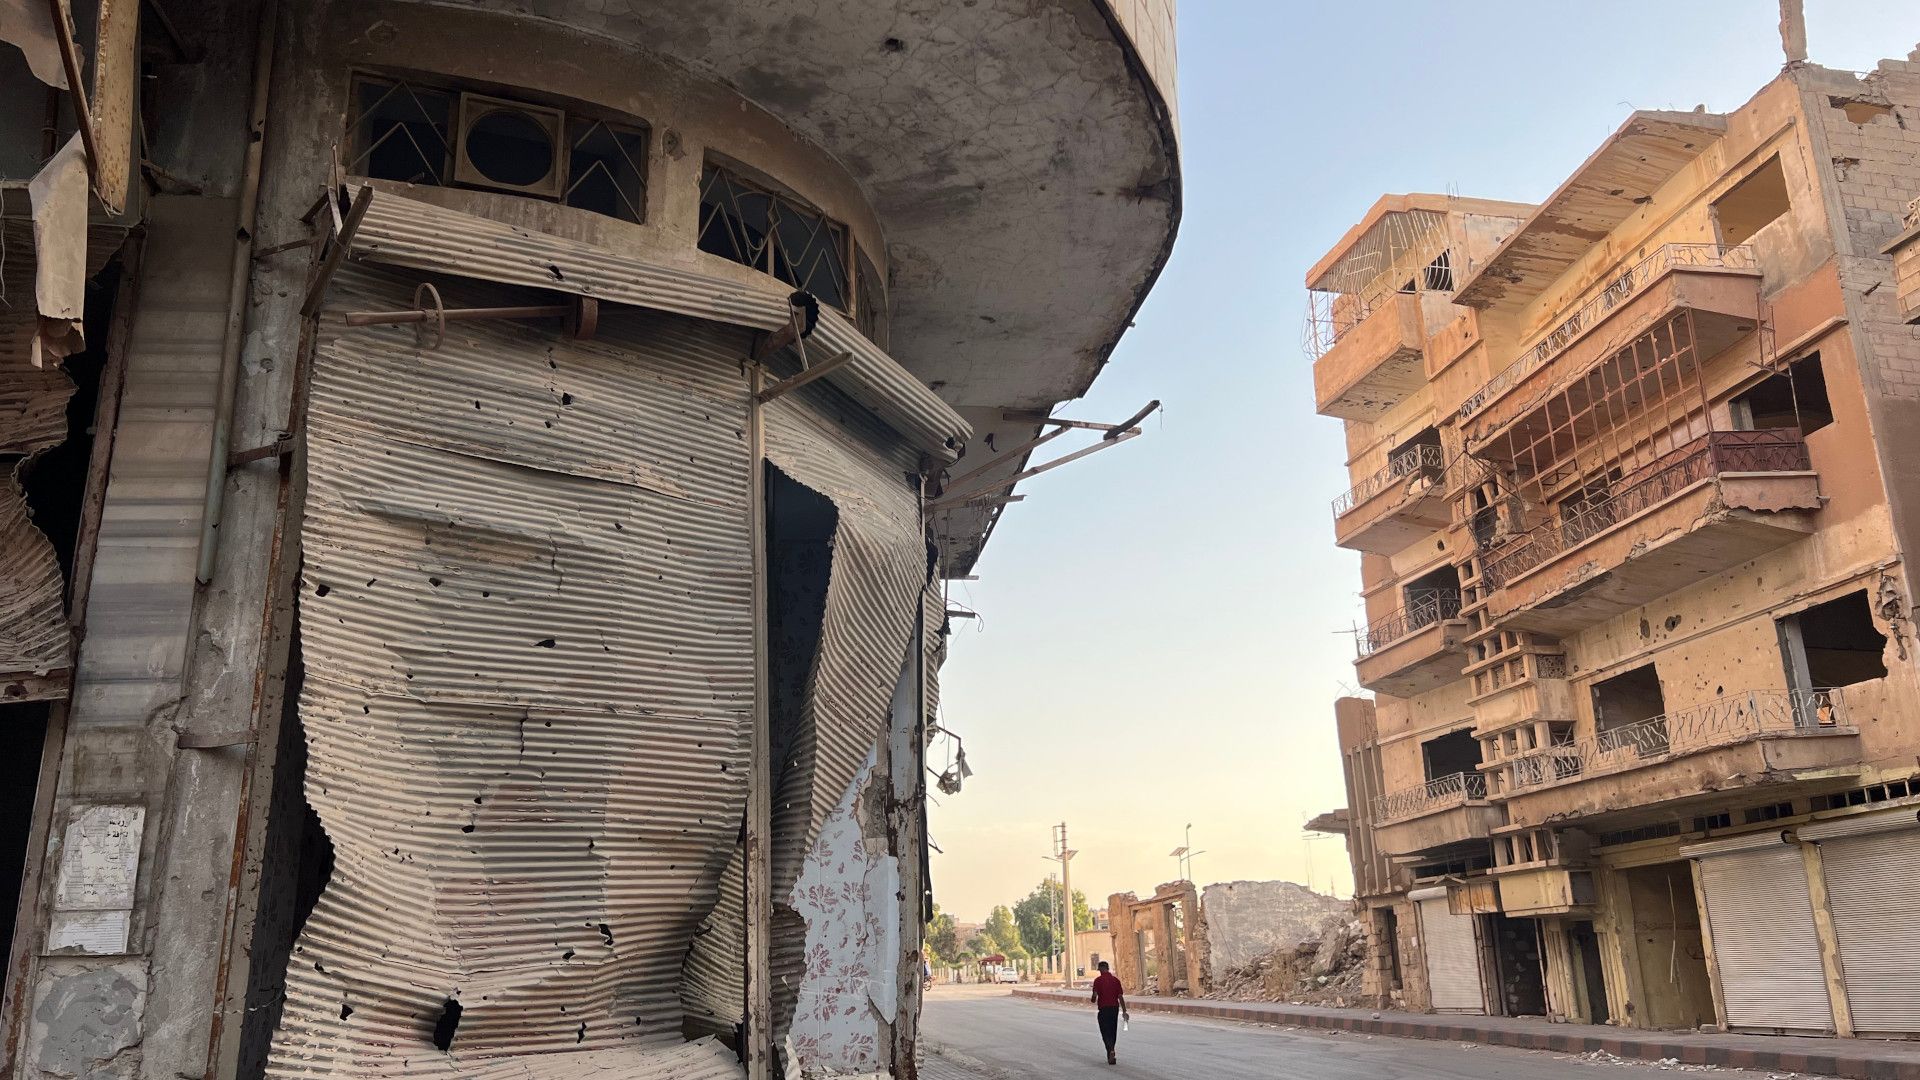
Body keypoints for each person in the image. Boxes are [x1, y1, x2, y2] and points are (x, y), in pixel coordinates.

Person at [1089, 960, 1129, 1065]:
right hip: (1114, 1009)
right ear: (1108, 968)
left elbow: (1094, 998)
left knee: (1105, 1031)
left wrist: (1093, 996)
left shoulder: (1097, 981)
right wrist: (1124, 1011)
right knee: (1112, 1030)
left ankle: (1110, 1050)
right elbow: (1120, 997)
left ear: (1101, 969)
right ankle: (1112, 1050)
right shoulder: (1116, 980)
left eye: (1100, 970)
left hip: (1103, 1009)